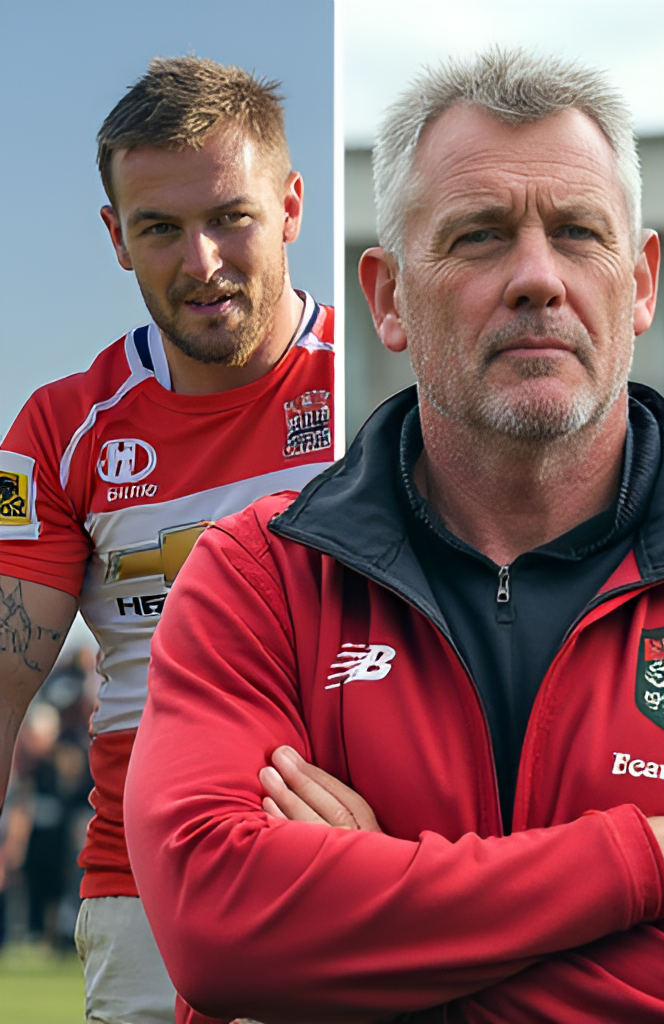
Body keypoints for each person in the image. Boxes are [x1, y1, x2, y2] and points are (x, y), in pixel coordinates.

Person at [126, 50, 664, 1024]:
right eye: (478, 237)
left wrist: (373, 952)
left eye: (578, 233)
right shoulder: (257, 577)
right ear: (387, 298)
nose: (538, 279)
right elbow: (217, 923)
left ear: (641, 282)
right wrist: (643, 861)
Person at [0, 56, 335, 1024]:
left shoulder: (387, 386)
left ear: (290, 206)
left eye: (231, 216)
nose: (202, 262)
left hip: (359, 863)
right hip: (145, 890)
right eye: (160, 228)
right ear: (116, 236)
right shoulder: (59, 430)